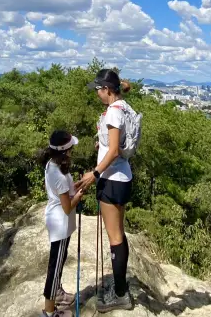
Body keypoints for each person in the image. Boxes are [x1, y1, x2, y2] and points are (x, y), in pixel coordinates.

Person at [77, 69, 134, 312]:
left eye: (99, 89)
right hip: (124, 177)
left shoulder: (112, 111)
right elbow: (115, 143)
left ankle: (120, 293)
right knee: (119, 234)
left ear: (107, 90)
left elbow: (112, 151)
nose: (97, 93)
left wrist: (94, 174)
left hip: (111, 178)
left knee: (115, 238)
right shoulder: (125, 107)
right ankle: (121, 286)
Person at [41, 130, 85, 317]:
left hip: (59, 221)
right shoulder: (57, 174)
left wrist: (78, 186)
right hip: (60, 222)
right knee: (55, 266)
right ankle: (49, 311)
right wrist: (79, 196)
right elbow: (67, 206)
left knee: (59, 261)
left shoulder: (53, 165)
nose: (72, 151)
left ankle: (57, 293)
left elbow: (66, 192)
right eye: (70, 149)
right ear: (65, 151)